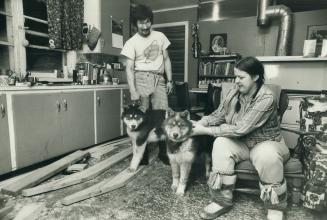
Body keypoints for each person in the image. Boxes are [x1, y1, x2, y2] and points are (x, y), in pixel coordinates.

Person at [191, 57, 289, 220]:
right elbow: (219, 114)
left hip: (267, 142)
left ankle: (275, 206)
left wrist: (204, 131)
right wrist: (201, 122)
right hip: (242, 143)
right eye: (235, 76)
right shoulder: (234, 91)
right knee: (221, 143)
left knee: (266, 154)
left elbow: (241, 128)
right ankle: (222, 200)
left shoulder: (267, 97)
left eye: (241, 77)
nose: (236, 81)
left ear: (256, 77)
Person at [121, 4, 173, 164]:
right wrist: (133, 90)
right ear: (135, 24)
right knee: (143, 114)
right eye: (141, 23)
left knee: (162, 115)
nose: (145, 26)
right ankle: (141, 155)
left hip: (159, 79)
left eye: (148, 22)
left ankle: (164, 152)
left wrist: (170, 79)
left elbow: (166, 59)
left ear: (151, 22)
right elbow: (129, 68)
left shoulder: (160, 36)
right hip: (140, 78)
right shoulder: (131, 42)